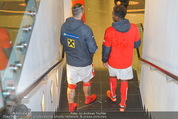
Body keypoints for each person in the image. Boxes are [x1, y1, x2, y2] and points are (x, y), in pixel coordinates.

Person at [102, 5, 141, 112]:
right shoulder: (133, 27)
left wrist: (104, 60)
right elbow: (137, 44)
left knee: (113, 77)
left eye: (112, 13)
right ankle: (123, 104)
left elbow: (106, 49)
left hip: (113, 61)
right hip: (126, 62)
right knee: (124, 81)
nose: (112, 15)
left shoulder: (109, 30)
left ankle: (113, 96)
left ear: (116, 17)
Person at [60, 3, 98, 112]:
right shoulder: (86, 29)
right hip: (84, 62)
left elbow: (62, 42)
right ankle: (88, 98)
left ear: (73, 13)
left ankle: (71, 106)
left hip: (71, 62)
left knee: (71, 85)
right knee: (87, 81)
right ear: (82, 13)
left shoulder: (64, 26)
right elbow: (92, 49)